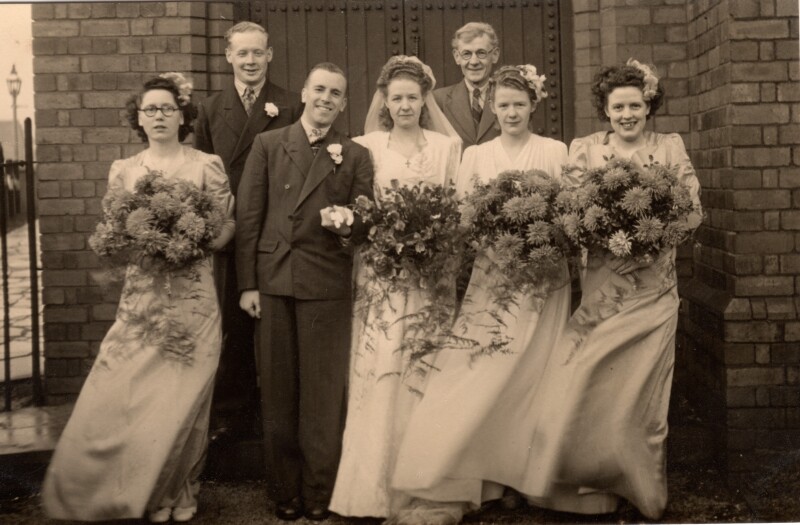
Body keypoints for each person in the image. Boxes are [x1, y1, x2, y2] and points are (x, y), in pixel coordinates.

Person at [42, 73, 235, 523]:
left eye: (168, 108)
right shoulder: (125, 171)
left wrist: (195, 242)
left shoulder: (206, 164)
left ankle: (180, 491)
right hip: (142, 301)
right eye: (150, 109)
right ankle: (135, 492)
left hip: (193, 299)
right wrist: (145, 242)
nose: (159, 116)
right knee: (132, 393)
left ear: (183, 116)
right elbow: (114, 233)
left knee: (184, 396)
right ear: (139, 119)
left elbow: (228, 225)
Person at [521, 60, 703, 520]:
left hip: (654, 288)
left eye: (635, 106)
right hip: (604, 287)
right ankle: (589, 484)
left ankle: (640, 487)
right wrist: (603, 236)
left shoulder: (668, 147)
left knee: (641, 391)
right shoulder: (586, 150)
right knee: (587, 379)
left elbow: (691, 210)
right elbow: (569, 209)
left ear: (649, 106)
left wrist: (649, 244)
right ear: (605, 109)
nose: (627, 115)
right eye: (618, 107)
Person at [389, 65, 570, 524]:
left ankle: (523, 478)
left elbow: (567, 214)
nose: (511, 113)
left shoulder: (555, 151)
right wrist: (494, 241)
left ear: (533, 106)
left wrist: (540, 239)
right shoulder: (476, 155)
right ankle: (483, 477)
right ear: (492, 108)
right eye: (503, 105)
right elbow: (465, 217)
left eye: (519, 104)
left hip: (544, 279)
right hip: (494, 278)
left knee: (535, 371)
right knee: (486, 368)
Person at [235, 62, 374, 522]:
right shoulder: (269, 144)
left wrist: (348, 225)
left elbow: (365, 221)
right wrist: (248, 284)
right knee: (278, 391)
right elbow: (249, 217)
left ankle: (318, 490)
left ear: (344, 103)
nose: (325, 99)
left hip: (325, 283)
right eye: (319, 89)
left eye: (335, 93)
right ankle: (284, 490)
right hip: (274, 280)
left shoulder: (354, 155)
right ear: (304, 93)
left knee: (322, 393)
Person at [329, 56, 461, 519]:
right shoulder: (366, 146)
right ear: (384, 102)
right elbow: (360, 207)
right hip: (382, 271)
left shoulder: (447, 147)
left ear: (425, 100)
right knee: (383, 362)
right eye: (396, 98)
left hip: (431, 274)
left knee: (426, 361)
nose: (405, 105)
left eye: (413, 97)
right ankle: (372, 487)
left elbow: (455, 208)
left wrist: (433, 244)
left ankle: (427, 480)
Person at [194, 21, 301, 440]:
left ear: (269, 55)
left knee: (278, 327)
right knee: (234, 327)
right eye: (242, 53)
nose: (251, 61)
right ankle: (233, 416)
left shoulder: (290, 104)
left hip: (277, 231)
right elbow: (203, 173)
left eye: (258, 52)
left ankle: (280, 415)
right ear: (229, 56)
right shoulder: (210, 109)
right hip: (232, 233)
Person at [434, 22, 501, 149]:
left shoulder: (507, 97)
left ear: (494, 55)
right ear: (457, 57)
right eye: (466, 54)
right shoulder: (439, 99)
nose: (474, 61)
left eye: (481, 53)